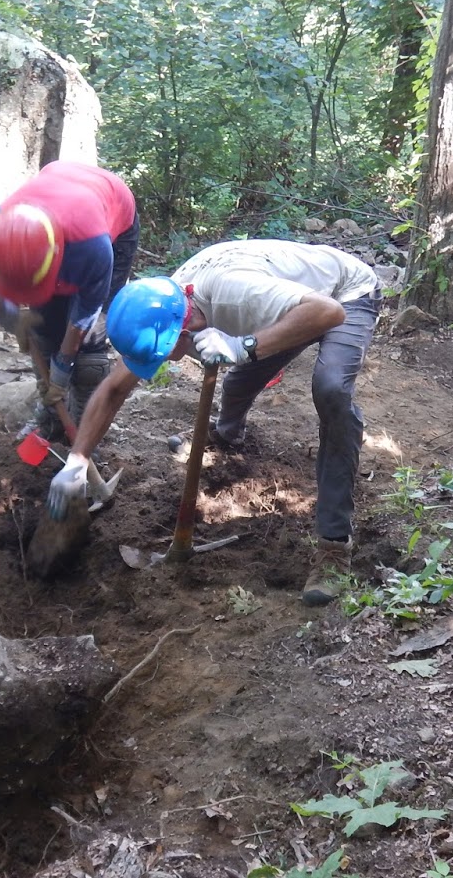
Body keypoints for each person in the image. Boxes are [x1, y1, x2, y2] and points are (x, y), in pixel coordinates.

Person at [45, 239, 381, 605]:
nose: (170, 362)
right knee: (239, 381)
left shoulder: (236, 297)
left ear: (184, 329)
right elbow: (113, 389)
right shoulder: (161, 308)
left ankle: (334, 546)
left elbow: (327, 312)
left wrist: (244, 346)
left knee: (330, 389)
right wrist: (77, 461)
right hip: (286, 305)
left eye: (167, 353)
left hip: (344, 295)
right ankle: (225, 437)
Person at [0, 160, 139, 431]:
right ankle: (52, 420)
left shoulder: (93, 249)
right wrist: (2, 310)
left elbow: (83, 319)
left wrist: (62, 369)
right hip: (59, 201)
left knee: (89, 343)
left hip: (112, 213)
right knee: (45, 330)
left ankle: (84, 428)